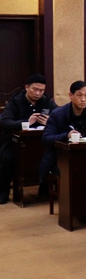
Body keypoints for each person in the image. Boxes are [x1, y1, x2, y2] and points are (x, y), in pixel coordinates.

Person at [39, 80, 86, 192]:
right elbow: (46, 139)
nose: (83, 99)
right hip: (62, 157)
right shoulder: (58, 114)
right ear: (70, 96)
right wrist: (66, 135)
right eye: (79, 95)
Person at [0, 74, 52, 203]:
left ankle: (45, 188)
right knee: (7, 158)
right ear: (27, 87)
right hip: (14, 142)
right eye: (35, 89)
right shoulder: (15, 101)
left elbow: (59, 118)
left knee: (50, 156)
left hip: (40, 141)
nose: (38, 93)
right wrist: (26, 122)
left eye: (41, 90)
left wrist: (50, 121)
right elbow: (4, 122)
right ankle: (3, 190)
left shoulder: (47, 101)